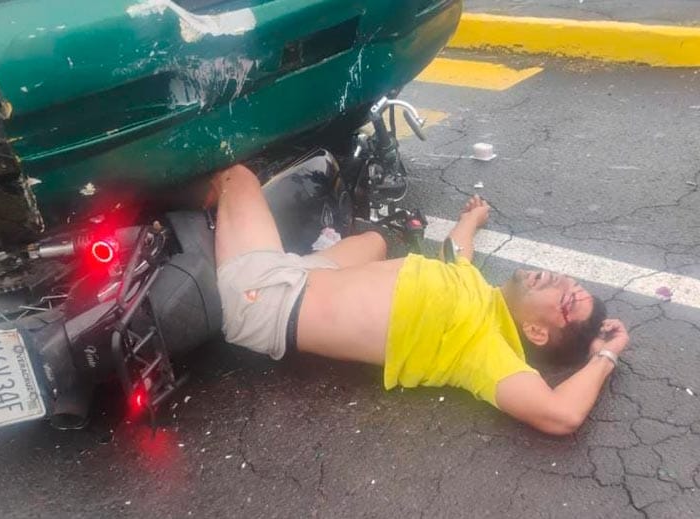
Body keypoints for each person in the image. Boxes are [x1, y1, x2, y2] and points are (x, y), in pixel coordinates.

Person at [210, 164, 629, 436]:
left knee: (236, 176)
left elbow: (561, 414)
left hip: (267, 299)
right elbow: (456, 251)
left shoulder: (486, 350)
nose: (560, 280)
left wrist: (606, 354)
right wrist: (472, 218)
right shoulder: (477, 289)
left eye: (566, 299)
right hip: (305, 277)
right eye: (570, 281)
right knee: (374, 242)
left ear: (536, 332)